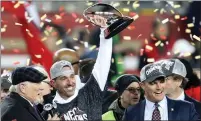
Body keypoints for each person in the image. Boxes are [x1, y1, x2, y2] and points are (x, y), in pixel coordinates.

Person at [50, 15, 113, 120]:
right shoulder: (49, 109)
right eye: (63, 78)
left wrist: (104, 31)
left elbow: (103, 62)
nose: (70, 82)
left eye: (71, 76)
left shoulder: (90, 92)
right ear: (53, 82)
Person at [123, 62, 200, 121]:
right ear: (142, 86)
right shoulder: (131, 112)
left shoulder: (186, 108)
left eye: (162, 81)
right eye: (153, 83)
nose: (159, 87)